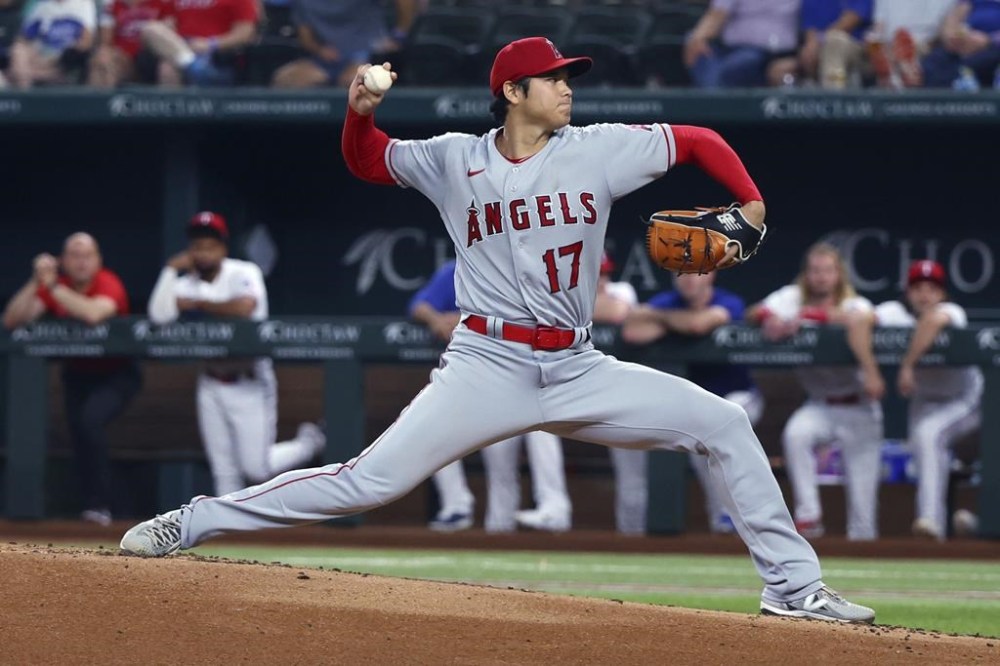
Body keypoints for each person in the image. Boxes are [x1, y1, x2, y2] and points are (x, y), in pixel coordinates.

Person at [121, 37, 875, 624]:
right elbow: (367, 162)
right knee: (367, 482)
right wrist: (359, 109)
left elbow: (701, 140)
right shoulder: (455, 159)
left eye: (567, 76)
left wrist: (751, 202)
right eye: (553, 78)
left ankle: (795, 590)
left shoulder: (600, 148)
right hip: (485, 362)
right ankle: (192, 521)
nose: (567, 87)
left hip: (579, 366)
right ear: (512, 93)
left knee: (723, 422)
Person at [146, 211, 326, 496]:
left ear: (223, 249)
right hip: (210, 380)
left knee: (257, 469)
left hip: (250, 380)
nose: (203, 253)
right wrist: (170, 270)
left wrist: (196, 304)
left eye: (210, 246)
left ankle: (312, 442)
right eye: (197, 246)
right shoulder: (185, 282)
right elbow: (158, 316)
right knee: (224, 472)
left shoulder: (243, 272)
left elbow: (244, 308)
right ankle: (225, 537)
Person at [410, 259, 572, 533]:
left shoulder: (529, 270)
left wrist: (463, 321)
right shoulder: (460, 269)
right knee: (439, 429)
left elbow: (547, 318)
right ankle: (471, 514)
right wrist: (438, 319)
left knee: (534, 437)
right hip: (482, 382)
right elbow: (418, 305)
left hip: (525, 378)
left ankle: (549, 510)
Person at [746, 242, 882, 542]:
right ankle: (809, 518)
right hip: (820, 404)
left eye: (828, 271)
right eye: (815, 270)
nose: (821, 277)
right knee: (797, 434)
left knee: (862, 513)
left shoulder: (852, 302)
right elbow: (754, 312)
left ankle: (864, 547)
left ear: (839, 275)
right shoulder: (792, 297)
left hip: (859, 405)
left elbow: (864, 319)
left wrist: (811, 316)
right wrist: (770, 320)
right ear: (807, 275)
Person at [3, 233, 142, 526]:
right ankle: (95, 509)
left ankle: (102, 506)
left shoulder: (107, 281)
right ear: (63, 261)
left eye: (87, 255)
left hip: (116, 373)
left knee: (90, 421)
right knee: (79, 435)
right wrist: (37, 280)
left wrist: (52, 286)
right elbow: (12, 320)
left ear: (98, 260)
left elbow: (93, 313)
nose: (81, 262)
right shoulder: (58, 285)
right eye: (74, 255)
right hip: (77, 375)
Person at [846, 260, 982, 541]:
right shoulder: (896, 313)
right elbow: (859, 319)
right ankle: (942, 531)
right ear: (908, 292)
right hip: (924, 401)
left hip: (963, 399)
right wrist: (871, 372)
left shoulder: (950, 311)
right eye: (918, 287)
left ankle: (931, 521)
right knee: (929, 449)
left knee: (929, 435)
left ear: (941, 293)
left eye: (932, 288)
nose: (925, 294)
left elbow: (933, 321)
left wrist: (907, 365)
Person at [622, 271, 764, 535]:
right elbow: (632, 331)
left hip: (738, 395)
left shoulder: (728, 301)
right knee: (703, 429)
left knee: (717, 426)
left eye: (697, 272)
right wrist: (676, 320)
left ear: (711, 275)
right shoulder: (668, 301)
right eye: (681, 272)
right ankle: (720, 517)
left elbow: (700, 324)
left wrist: (662, 321)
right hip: (695, 403)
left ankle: (728, 514)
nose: (688, 278)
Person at [271, 0, 417, 89]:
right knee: (284, 79)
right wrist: (320, 50)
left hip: (367, 56)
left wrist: (399, 34)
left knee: (355, 82)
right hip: (323, 60)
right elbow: (305, 37)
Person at [139, 0, 259, 86]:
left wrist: (211, 44)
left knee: (169, 66)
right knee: (152, 33)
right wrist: (168, 26)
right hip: (182, 47)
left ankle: (193, 66)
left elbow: (245, 33)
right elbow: (168, 20)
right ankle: (193, 66)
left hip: (216, 55)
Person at [684, 0, 800, 89]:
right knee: (698, 49)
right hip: (734, 51)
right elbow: (717, 14)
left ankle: (713, 105)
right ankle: (709, 106)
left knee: (743, 61)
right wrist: (697, 38)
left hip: (780, 54)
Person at [771, 0, 872, 88]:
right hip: (820, 51)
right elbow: (810, 29)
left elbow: (852, 19)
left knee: (835, 41)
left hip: (856, 50)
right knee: (778, 70)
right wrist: (810, 48)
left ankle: (834, 100)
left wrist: (819, 42)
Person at [865, 0, 956, 89]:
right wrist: (875, 39)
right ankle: (897, 71)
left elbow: (947, 29)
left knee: (909, 50)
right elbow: (879, 25)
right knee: (876, 44)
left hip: (925, 42)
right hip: (889, 43)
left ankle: (897, 73)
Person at [6, 0, 96, 88]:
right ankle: (24, 95)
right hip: (39, 57)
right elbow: (23, 38)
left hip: (65, 58)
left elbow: (86, 42)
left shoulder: (83, 4)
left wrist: (60, 56)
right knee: (18, 50)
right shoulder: (42, 5)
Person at [88, 0, 171, 87]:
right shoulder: (113, 5)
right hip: (124, 59)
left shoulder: (163, 3)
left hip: (152, 57)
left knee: (167, 68)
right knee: (102, 59)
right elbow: (105, 43)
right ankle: (99, 99)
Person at [921, 0, 1000, 88]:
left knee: (979, 62)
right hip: (964, 42)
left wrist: (988, 40)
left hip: (992, 47)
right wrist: (951, 36)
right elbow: (953, 19)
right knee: (936, 59)